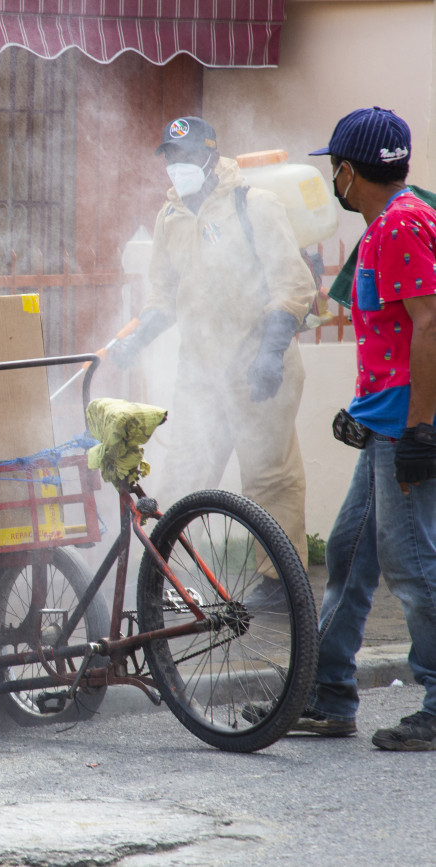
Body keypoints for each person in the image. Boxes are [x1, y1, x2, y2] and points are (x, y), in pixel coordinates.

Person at [112, 116, 316, 595]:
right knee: (184, 474)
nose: (176, 166)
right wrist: (136, 340)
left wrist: (270, 354)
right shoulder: (171, 216)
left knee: (269, 477)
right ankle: (172, 578)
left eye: (185, 156)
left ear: (209, 155)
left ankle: (278, 586)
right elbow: (163, 297)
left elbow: (292, 286)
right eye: (170, 157)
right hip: (201, 374)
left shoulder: (254, 204)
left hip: (258, 365)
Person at [291, 107, 436, 749]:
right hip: (388, 421)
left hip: (409, 427)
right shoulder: (393, 223)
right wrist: (363, 411)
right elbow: (398, 338)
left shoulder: (401, 224)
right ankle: (328, 696)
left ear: (348, 171)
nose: (334, 180)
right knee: (350, 554)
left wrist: (420, 430)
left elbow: (430, 324)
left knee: (411, 566)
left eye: (334, 168)